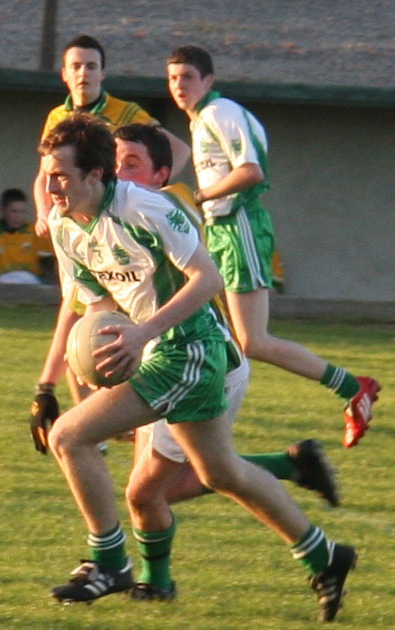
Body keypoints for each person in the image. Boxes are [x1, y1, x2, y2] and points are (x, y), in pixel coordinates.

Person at [31, 113, 356, 623]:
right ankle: (324, 555)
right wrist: (95, 358)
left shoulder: (145, 207)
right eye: (46, 174)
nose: (49, 187)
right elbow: (94, 309)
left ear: (96, 175)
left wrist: (140, 333)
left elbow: (207, 279)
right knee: (221, 472)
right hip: (162, 352)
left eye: (60, 175)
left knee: (69, 437)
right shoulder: (64, 227)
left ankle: (111, 561)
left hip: (192, 348)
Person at [112, 123, 339, 600]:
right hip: (171, 360)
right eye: (113, 161)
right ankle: (298, 488)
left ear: (160, 175)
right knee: (181, 483)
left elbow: (204, 279)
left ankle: (142, 576)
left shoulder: (160, 207)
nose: (118, 171)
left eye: (131, 163)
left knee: (162, 488)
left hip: (194, 361)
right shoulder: (113, 214)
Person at [166, 45, 380, 449]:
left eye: (188, 77)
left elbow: (251, 171)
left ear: (208, 81)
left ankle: (354, 387)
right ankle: (181, 415)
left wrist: (202, 195)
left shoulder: (219, 112)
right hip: (222, 229)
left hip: (239, 225)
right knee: (213, 329)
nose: (179, 85)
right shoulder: (204, 119)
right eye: (173, 78)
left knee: (251, 341)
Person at [33, 34, 190, 237]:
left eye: (91, 66)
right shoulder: (56, 117)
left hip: (114, 219)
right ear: (64, 73)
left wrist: (152, 187)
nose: (83, 73)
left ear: (102, 73)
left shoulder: (127, 112)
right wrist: (43, 213)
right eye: (76, 66)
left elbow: (181, 150)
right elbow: (44, 175)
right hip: (73, 222)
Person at [0, 188, 55, 284]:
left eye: (22, 212)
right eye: (14, 211)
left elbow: (49, 261)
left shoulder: (34, 231)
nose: (18, 216)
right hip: (2, 282)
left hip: (30, 281)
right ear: (2, 209)